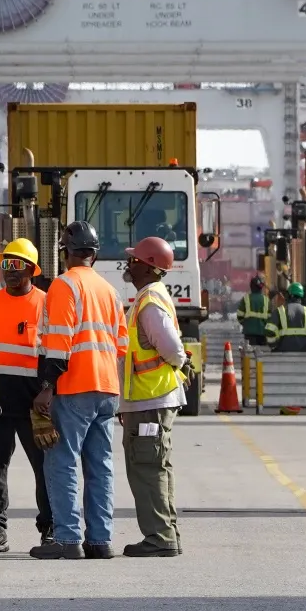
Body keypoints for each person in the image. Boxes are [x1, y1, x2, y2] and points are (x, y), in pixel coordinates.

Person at [31, 220, 124, 560]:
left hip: (74, 386)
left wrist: (46, 388)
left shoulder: (64, 285)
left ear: (66, 254)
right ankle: (100, 541)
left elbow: (58, 345)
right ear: (94, 255)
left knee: (62, 462)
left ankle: (68, 540)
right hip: (107, 387)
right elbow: (121, 344)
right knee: (100, 466)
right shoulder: (110, 291)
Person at [0, 238, 54, 553]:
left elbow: (58, 354)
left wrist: (51, 393)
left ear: (32, 270)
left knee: (45, 468)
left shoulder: (46, 305)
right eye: (6, 264)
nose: (10, 271)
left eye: (18, 265)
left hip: (36, 405)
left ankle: (50, 528)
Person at [119, 237, 187, 558]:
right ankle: (166, 531)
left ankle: (160, 536)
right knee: (155, 464)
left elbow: (173, 350)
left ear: (148, 266)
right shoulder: (148, 297)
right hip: (147, 400)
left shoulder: (150, 302)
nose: (128, 264)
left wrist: (174, 365)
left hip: (152, 400)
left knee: (148, 466)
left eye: (134, 260)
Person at [267, 282, 306, 352]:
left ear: (289, 295)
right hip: (304, 352)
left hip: (283, 353)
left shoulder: (280, 311)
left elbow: (269, 330)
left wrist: (274, 345)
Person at [235, 275, 271, 347]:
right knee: (262, 355)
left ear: (251, 286)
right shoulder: (266, 300)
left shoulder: (246, 299)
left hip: (249, 333)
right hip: (263, 333)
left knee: (250, 354)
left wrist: (246, 324)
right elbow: (270, 318)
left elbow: (239, 315)